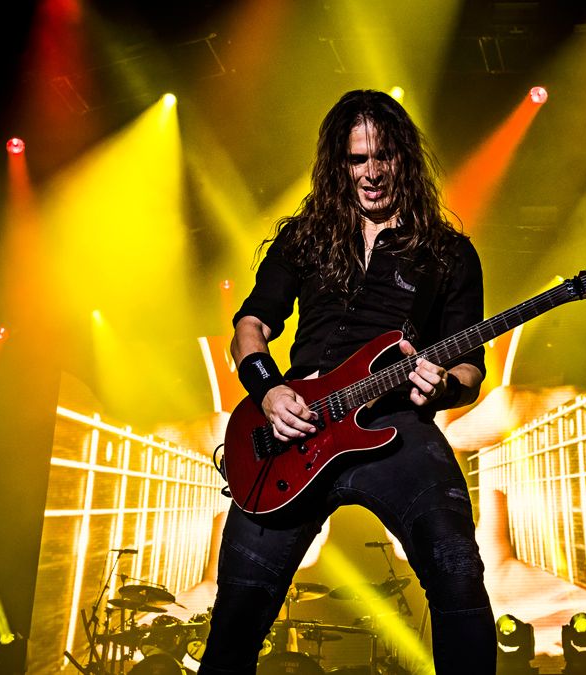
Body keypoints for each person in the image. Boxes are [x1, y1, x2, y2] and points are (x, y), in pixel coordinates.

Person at [197, 89, 495, 674]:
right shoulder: (306, 238)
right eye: (357, 160)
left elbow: (470, 368)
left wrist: (444, 388)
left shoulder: (448, 254)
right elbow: (250, 325)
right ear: (339, 165)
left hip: (394, 428)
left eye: (383, 156)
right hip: (295, 431)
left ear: (403, 160)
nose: (371, 173)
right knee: (236, 619)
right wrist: (269, 391)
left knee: (458, 579)